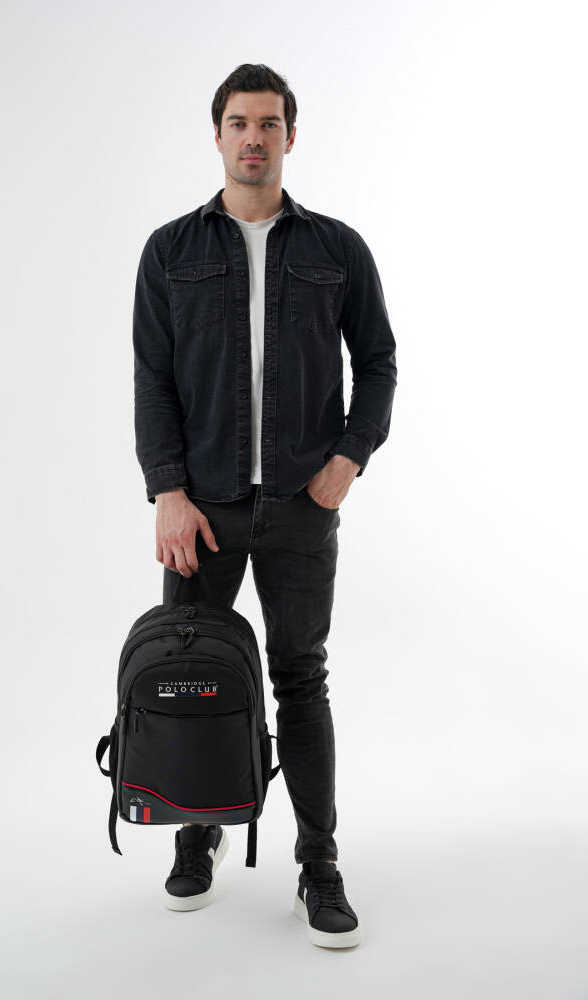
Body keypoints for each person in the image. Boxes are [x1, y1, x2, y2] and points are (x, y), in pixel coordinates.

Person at [132, 63, 397, 949]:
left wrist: (347, 460)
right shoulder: (170, 250)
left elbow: (379, 362)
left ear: (290, 136)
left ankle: (317, 864)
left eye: (269, 123)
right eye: (240, 123)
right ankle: (196, 831)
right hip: (201, 510)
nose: (254, 138)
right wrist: (168, 491)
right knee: (193, 671)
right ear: (217, 135)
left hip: (299, 506)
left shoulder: (336, 249)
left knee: (299, 681)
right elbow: (152, 378)